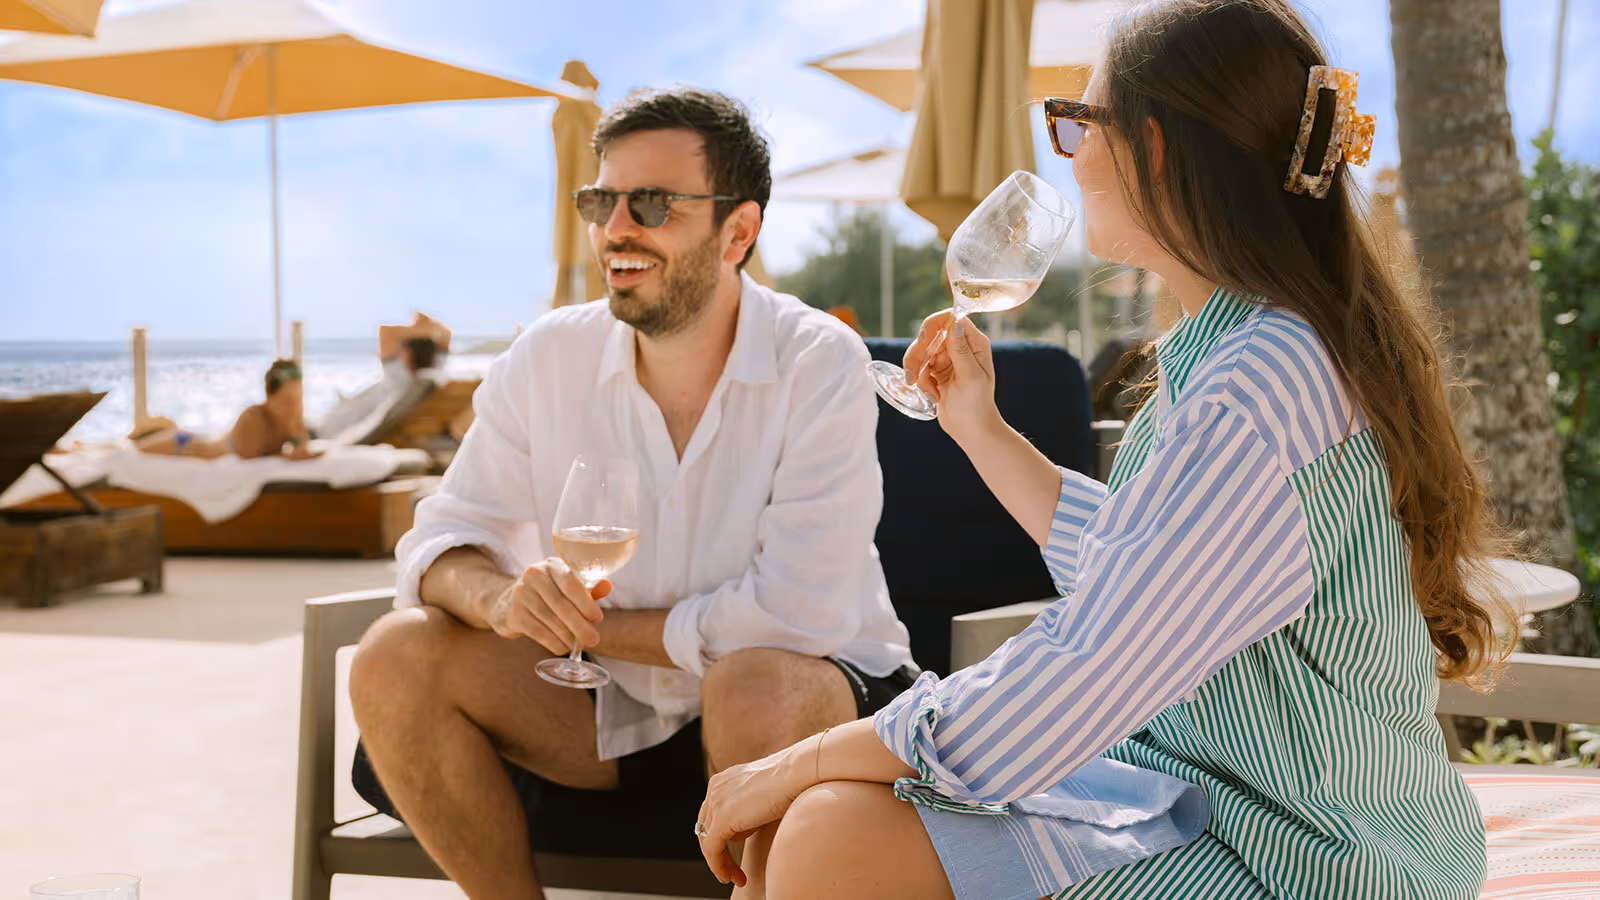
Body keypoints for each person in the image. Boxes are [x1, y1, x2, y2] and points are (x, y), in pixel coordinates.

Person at [692, 2, 1510, 898]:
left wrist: (795, 762)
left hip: (1307, 850)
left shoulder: (1260, 382)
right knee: (805, 836)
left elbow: (1092, 663)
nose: (1066, 152)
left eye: (1077, 122)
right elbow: (1149, 565)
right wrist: (983, 431)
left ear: (1155, 148)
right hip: (1209, 794)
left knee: (823, 832)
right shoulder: (1247, 351)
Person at [346, 86, 916, 899]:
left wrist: (597, 628)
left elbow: (799, 615)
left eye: (650, 203)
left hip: (807, 706)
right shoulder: (547, 356)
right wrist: (503, 600)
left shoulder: (819, 359)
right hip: (605, 717)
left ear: (738, 231)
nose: (617, 228)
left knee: (752, 680)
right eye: (601, 200)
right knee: (394, 654)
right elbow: (438, 544)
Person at [132, 359, 317, 460]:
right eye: (286, 400)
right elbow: (250, 457)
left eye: (298, 399)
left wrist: (297, 439)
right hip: (186, 445)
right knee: (132, 451)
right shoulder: (254, 416)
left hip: (197, 441)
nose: (293, 407)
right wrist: (291, 455)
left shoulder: (293, 421)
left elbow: (302, 448)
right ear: (269, 397)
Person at [313, 312, 451, 440]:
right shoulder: (433, 373)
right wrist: (424, 328)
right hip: (344, 423)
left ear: (407, 352)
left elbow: (385, 331)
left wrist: (419, 327)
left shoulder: (399, 377)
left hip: (330, 431)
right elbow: (447, 334)